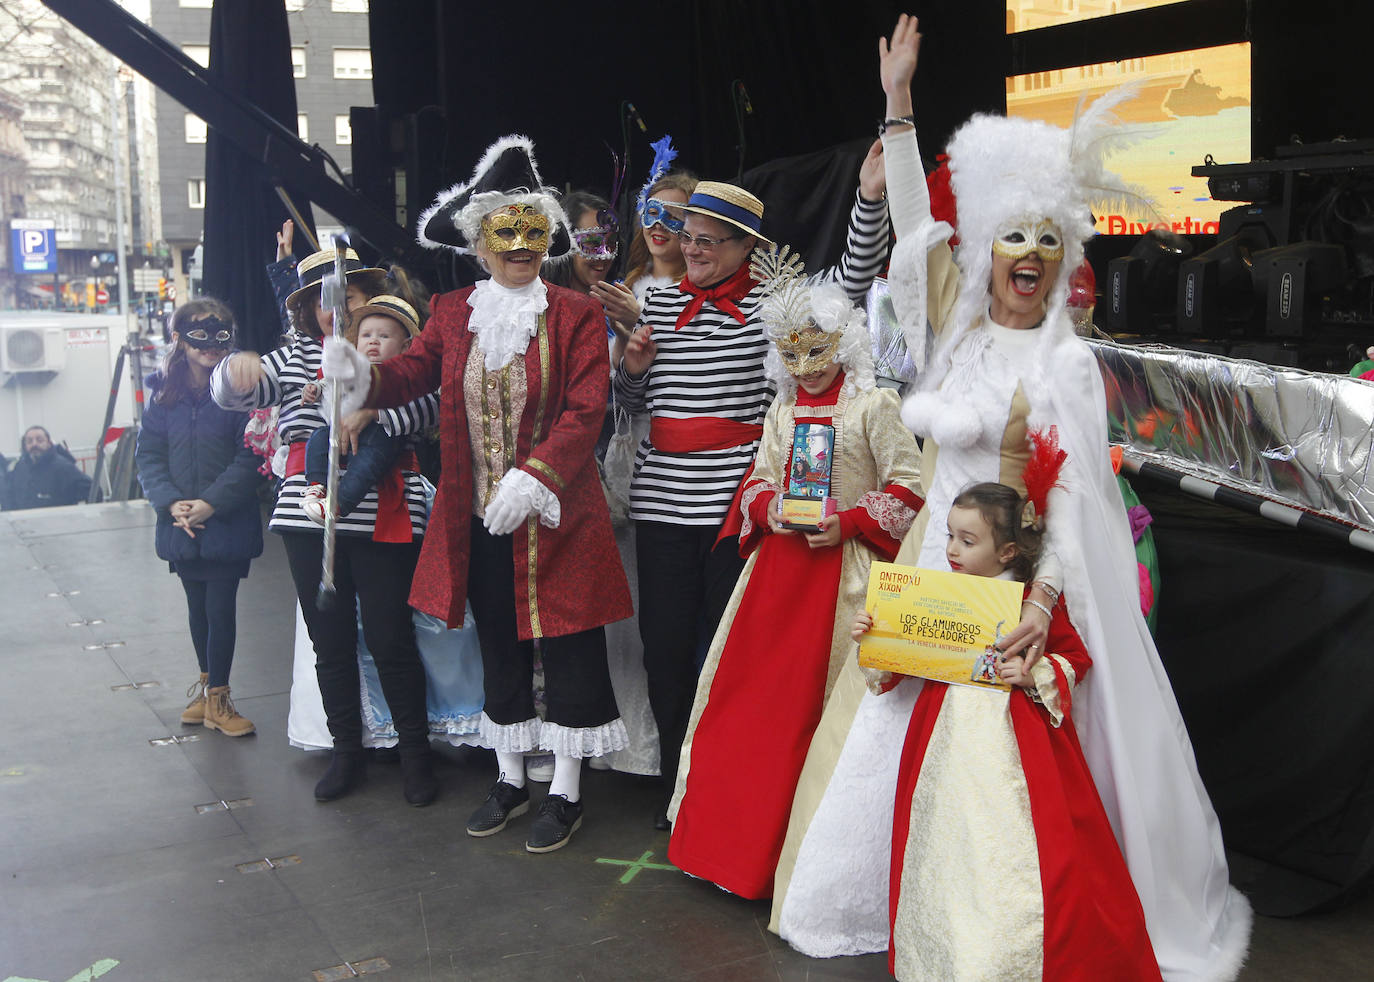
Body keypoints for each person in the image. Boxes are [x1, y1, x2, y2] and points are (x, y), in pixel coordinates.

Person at [773, 16, 1252, 980]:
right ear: (989, 252)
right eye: (1010, 239)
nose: (1025, 255)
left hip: (1021, 582)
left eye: (1045, 239)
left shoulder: (1066, 364)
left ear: (1062, 257)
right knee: (891, 725)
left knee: (999, 767)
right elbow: (915, 229)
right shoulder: (952, 328)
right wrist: (898, 106)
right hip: (933, 575)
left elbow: (1068, 504)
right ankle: (888, 901)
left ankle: (1000, 920)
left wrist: (1038, 606)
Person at [333, 134, 634, 853]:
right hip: (480, 517)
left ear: (548, 237)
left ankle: (564, 788)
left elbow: (588, 405)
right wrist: (361, 376)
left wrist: (537, 477)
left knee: (568, 650)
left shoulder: (575, 313)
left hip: (559, 513)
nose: (521, 246)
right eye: (507, 232)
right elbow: (411, 376)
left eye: (534, 231)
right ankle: (508, 777)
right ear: (478, 240)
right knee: (498, 643)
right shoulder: (450, 309)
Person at [612, 158, 891, 829]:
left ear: (746, 249)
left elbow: (849, 286)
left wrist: (868, 199)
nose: (692, 249)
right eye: (688, 235)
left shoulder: (774, 310)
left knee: (722, 651)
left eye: (709, 240)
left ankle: (712, 782)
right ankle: (680, 779)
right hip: (661, 504)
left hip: (732, 510)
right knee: (665, 650)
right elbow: (630, 403)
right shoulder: (656, 302)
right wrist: (633, 369)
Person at [665, 257, 924, 898]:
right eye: (793, 352)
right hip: (775, 583)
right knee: (749, 707)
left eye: (819, 347)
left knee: (825, 717)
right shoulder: (780, 414)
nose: (807, 364)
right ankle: (730, 848)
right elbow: (756, 479)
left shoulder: (875, 406)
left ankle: (807, 870)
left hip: (845, 586)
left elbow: (913, 486)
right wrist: (769, 506)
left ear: (844, 340)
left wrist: (855, 522)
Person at [854, 475, 1162, 982]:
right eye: (950, 536)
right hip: (943, 740)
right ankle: (942, 955)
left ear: (1008, 552)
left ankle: (1009, 957)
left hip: (1013, 743)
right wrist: (875, 634)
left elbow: (1075, 658)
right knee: (945, 846)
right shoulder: (938, 595)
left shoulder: (1029, 605)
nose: (952, 549)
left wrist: (1034, 672)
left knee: (1014, 854)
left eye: (967, 541)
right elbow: (896, 664)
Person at [213, 246, 439, 808]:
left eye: (346, 296)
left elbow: (435, 406)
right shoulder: (292, 359)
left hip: (387, 508)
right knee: (329, 642)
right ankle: (347, 753)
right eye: (320, 300)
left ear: (367, 299)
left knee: (391, 638)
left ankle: (416, 755)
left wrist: (376, 412)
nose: (334, 308)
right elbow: (235, 391)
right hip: (308, 513)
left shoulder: (399, 354)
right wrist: (231, 368)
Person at [134, 300, 266, 737]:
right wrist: (171, 503)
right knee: (197, 608)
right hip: (180, 524)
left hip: (224, 521)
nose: (210, 345)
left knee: (220, 606)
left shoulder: (240, 392)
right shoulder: (162, 394)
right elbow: (148, 455)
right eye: (199, 336)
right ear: (179, 340)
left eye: (220, 335)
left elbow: (252, 454)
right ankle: (209, 689)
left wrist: (210, 503)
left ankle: (220, 696)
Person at [300, 296, 422, 526]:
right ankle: (316, 485)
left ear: (405, 346)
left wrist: (375, 411)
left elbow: (416, 403)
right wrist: (314, 389)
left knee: (367, 463)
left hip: (382, 436)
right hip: (342, 432)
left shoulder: (405, 372)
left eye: (383, 336)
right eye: (366, 336)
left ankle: (337, 504)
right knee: (318, 438)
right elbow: (329, 383)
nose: (374, 342)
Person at [5, 426, 92, 510]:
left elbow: (92, 490)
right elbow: (9, 495)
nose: (34, 444)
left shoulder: (63, 467)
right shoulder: (19, 467)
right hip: (25, 523)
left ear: (49, 443)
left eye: (39, 440)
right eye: (29, 441)